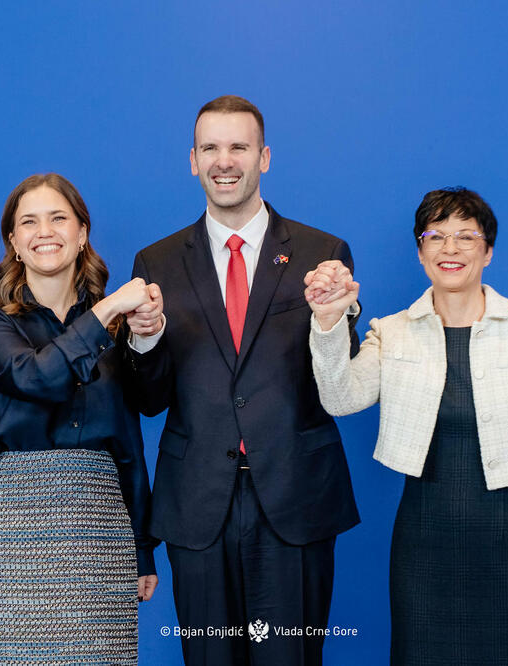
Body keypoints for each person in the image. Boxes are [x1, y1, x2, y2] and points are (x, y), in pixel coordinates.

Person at [305, 187, 508, 665]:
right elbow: (340, 398)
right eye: (436, 236)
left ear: (488, 251)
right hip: (424, 542)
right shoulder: (392, 331)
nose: (450, 249)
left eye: (466, 237)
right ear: (420, 252)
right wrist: (329, 323)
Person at [128, 95, 360, 666]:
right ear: (192, 160)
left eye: (238, 147)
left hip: (294, 497)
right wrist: (146, 338)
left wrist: (335, 315)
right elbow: (149, 398)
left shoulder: (320, 254)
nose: (223, 160)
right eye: (210, 147)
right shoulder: (155, 262)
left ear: (264, 157)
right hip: (197, 503)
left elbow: (340, 382)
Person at [0, 173, 163, 664]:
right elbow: (34, 378)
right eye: (28, 221)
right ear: (14, 241)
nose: (44, 231)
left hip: (100, 526)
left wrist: (142, 546)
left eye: (58, 218)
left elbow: (130, 441)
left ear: (82, 232)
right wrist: (110, 308)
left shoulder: (119, 327)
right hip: (10, 527)